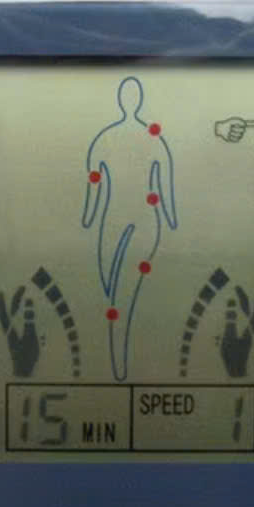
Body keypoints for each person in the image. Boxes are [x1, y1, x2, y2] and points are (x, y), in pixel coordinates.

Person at [81, 77, 178, 380]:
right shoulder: (109, 139)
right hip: (115, 222)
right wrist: (88, 218)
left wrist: (171, 217)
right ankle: (116, 369)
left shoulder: (146, 139)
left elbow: (95, 185)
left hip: (141, 223)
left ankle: (118, 366)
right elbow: (94, 182)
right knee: (109, 289)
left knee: (121, 294)